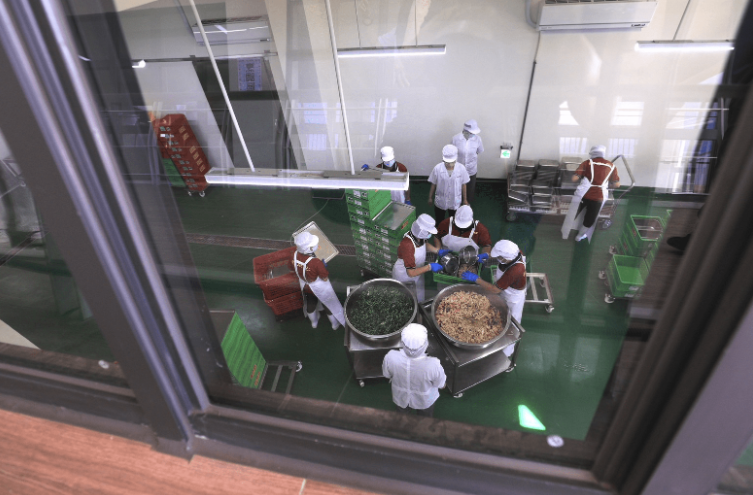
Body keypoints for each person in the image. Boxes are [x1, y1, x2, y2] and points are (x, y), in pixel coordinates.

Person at [461, 240, 526, 359]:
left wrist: (476, 279)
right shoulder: (515, 252)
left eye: (500, 257)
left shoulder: (515, 270)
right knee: (498, 313)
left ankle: (506, 352)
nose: (498, 259)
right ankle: (496, 332)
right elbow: (501, 257)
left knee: (512, 322)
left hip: (513, 296)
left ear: (506, 258)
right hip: (505, 287)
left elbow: (495, 289)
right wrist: (488, 256)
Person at [382, 323, 446, 417]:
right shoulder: (433, 364)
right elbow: (441, 384)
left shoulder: (391, 357)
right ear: (425, 344)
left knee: (402, 418)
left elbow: (387, 375)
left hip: (401, 397)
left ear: (402, 342)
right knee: (424, 420)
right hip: (425, 400)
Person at [561, 145, 621, 243]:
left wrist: (579, 177)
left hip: (583, 194)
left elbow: (574, 178)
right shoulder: (611, 166)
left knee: (573, 213)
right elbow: (617, 184)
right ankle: (579, 236)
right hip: (599, 197)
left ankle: (565, 233)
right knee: (590, 218)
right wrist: (607, 184)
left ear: (592, 153)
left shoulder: (587, 163)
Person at [290, 232, 346, 330]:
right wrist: (321, 266)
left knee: (310, 304)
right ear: (310, 248)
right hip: (318, 286)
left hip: (306, 286)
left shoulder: (294, 255)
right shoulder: (316, 262)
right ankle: (334, 324)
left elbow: (295, 266)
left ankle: (314, 323)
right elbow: (324, 278)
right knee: (328, 304)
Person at [392, 214, 443, 302]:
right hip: (405, 276)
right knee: (409, 300)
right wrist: (430, 267)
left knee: (419, 296)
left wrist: (436, 251)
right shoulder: (407, 245)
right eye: (428, 232)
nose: (429, 234)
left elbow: (424, 243)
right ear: (421, 231)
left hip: (418, 271)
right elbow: (411, 273)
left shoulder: (418, 236)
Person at [428, 144, 470, 224]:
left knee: (453, 221)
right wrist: (430, 197)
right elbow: (433, 183)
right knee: (439, 220)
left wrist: (465, 199)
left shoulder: (461, 168)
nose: (449, 164)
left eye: (451, 162)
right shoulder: (437, 168)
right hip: (441, 200)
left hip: (455, 200)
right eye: (447, 162)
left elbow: (464, 184)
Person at [451, 119, 484, 204]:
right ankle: (457, 203)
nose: (473, 134)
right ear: (465, 131)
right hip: (458, 169)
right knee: (457, 188)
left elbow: (479, 151)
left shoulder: (478, 139)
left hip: (471, 169)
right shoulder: (455, 139)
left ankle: (467, 204)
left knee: (470, 189)